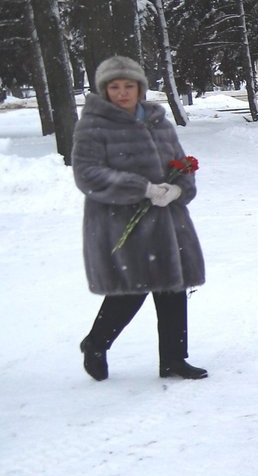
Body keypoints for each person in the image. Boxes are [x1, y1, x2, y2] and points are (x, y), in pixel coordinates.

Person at [73, 56, 208, 382]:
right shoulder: (93, 125)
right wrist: (141, 188)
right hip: (120, 222)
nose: (122, 93)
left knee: (172, 288)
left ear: (140, 88)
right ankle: (96, 343)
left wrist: (178, 190)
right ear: (104, 90)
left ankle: (174, 359)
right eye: (114, 87)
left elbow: (181, 164)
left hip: (167, 221)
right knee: (129, 290)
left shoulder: (159, 121)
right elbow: (87, 174)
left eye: (128, 86)